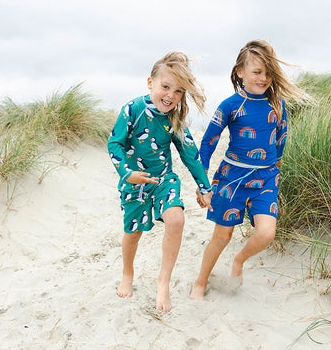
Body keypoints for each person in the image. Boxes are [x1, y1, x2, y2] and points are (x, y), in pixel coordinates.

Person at [190, 40, 311, 300]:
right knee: (221, 236)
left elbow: (282, 139)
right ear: (240, 72)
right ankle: (200, 281)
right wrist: (203, 185)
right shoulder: (230, 105)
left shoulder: (277, 104)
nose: (264, 78)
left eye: (268, 73)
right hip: (231, 179)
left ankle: (239, 260)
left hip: (265, 178)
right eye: (257, 72)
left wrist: (274, 168)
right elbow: (208, 143)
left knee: (267, 233)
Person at [108, 51, 213, 313]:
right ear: (150, 83)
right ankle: (128, 273)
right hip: (134, 182)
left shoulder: (175, 118)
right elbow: (114, 144)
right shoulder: (131, 109)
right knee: (133, 234)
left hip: (164, 179)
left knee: (176, 220)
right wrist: (126, 173)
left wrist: (204, 188)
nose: (170, 96)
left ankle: (163, 282)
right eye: (166, 87)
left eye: (178, 91)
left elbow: (190, 154)